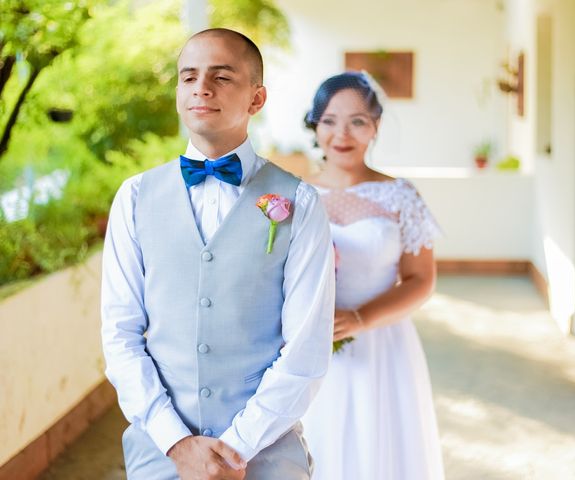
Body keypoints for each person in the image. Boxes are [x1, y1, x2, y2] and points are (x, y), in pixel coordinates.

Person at [101, 28, 335, 480]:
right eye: (188, 77)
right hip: (162, 452)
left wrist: (237, 448)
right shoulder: (134, 197)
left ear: (257, 97)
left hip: (266, 454)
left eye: (222, 77)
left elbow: (306, 351)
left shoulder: (301, 204)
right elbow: (120, 335)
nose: (201, 88)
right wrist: (177, 442)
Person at [300, 71, 445, 480]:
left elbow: (421, 280)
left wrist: (360, 319)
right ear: (315, 125)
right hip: (312, 340)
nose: (341, 133)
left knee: (381, 448)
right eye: (329, 120)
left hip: (383, 342)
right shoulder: (294, 196)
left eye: (357, 121)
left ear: (375, 127)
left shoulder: (400, 195)